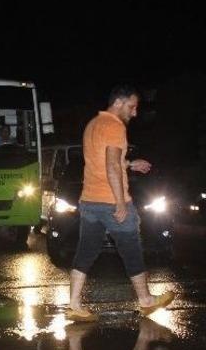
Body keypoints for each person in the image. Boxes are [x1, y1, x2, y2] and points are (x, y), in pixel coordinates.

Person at [66, 84, 174, 322]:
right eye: (132, 106)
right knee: (132, 249)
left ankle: (74, 304)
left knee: (86, 250)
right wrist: (121, 203)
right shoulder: (114, 126)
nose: (135, 113)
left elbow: (102, 161)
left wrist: (130, 164)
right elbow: (112, 166)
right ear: (118, 102)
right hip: (110, 201)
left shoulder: (93, 124)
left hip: (89, 200)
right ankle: (146, 300)